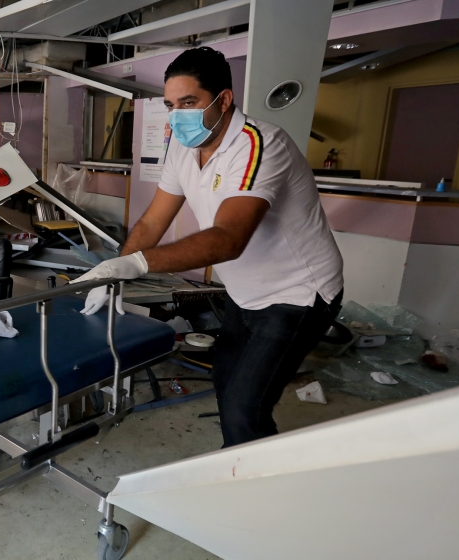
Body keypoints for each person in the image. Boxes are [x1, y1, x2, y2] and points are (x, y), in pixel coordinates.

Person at [76, 47, 344, 448]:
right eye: (170, 104)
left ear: (223, 100)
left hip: (298, 294)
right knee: (224, 378)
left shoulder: (259, 145)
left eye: (188, 102)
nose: (177, 115)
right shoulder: (183, 148)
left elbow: (228, 239)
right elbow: (152, 221)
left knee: (244, 408)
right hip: (245, 291)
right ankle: (235, 462)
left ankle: (252, 492)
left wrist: (136, 264)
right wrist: (115, 270)